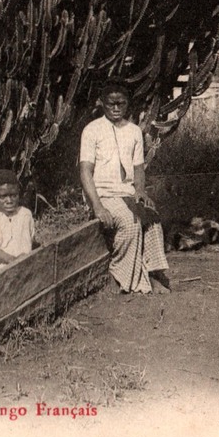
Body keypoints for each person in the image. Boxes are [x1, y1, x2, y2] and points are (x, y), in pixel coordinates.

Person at [79, 81, 170, 294]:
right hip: (102, 193)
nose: (116, 108)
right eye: (111, 104)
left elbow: (139, 168)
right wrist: (98, 206)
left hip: (127, 192)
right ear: (102, 103)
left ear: (128, 104)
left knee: (152, 219)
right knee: (130, 224)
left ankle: (152, 273)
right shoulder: (92, 130)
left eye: (121, 103)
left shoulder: (134, 131)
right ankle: (118, 275)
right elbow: (85, 171)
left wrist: (140, 191)